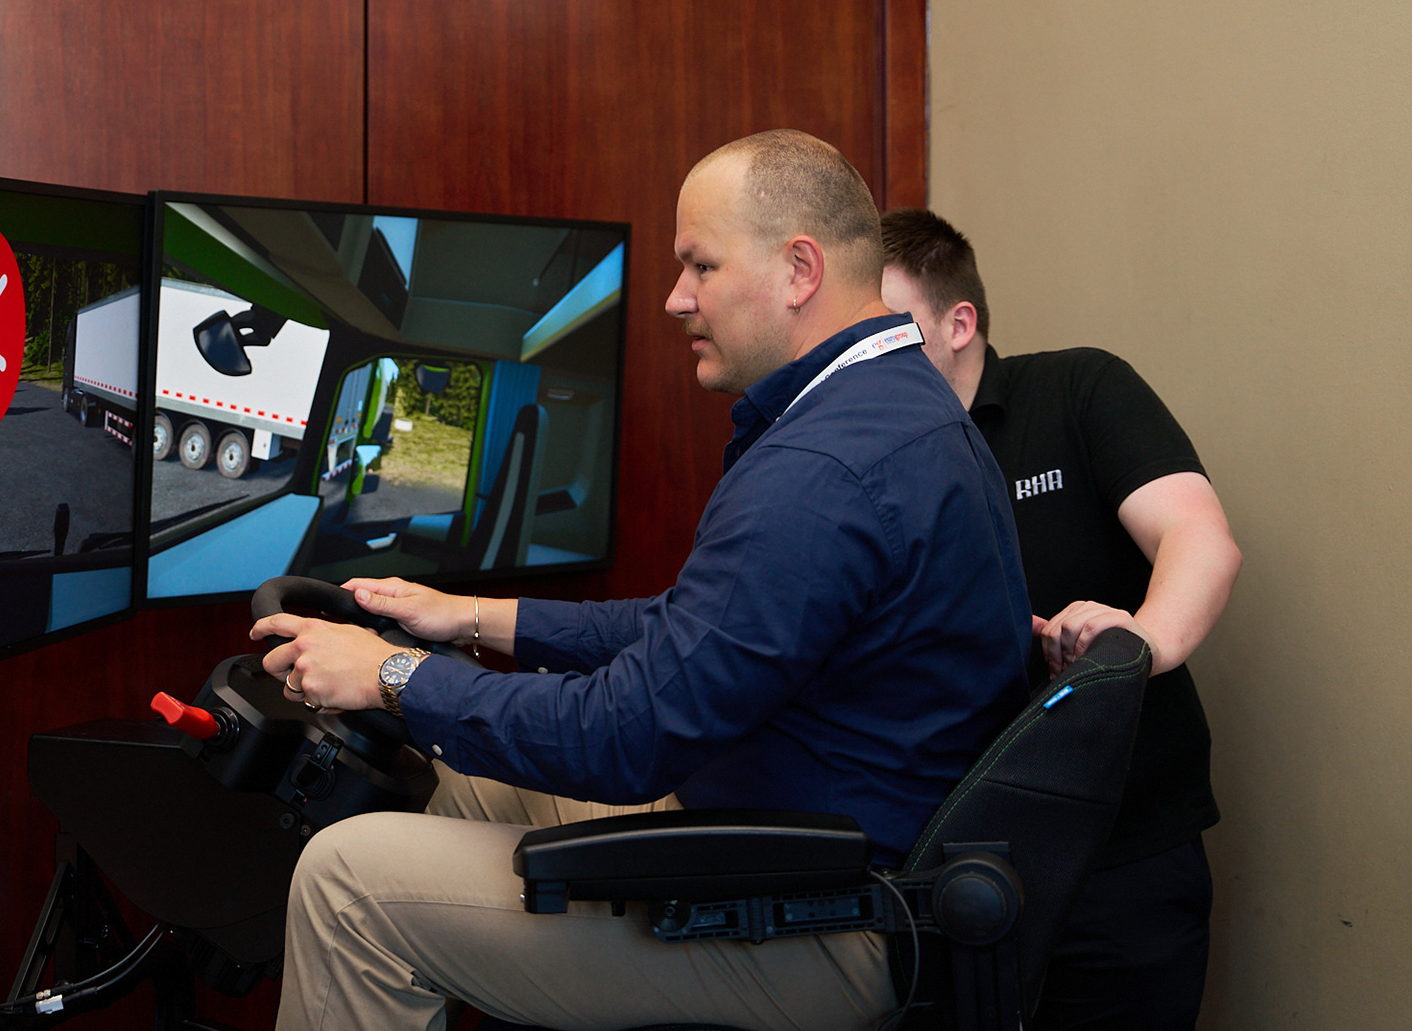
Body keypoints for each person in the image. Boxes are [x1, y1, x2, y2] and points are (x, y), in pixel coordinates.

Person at [250, 131, 1032, 1031]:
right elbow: (696, 634)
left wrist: (392, 675)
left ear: (799, 271)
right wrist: (469, 616)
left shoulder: (822, 471)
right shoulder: (889, 407)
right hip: (797, 835)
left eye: (700, 265)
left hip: (827, 916)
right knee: (461, 784)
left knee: (344, 884)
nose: (675, 297)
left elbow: (627, 735)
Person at [879, 208, 1241, 1031]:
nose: (867, 355)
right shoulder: (874, 455)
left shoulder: (1077, 390)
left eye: (889, 329)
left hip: (1120, 855)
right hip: (936, 858)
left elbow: (1199, 540)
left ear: (958, 324)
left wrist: (1135, 645)